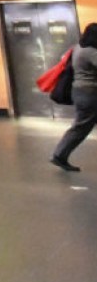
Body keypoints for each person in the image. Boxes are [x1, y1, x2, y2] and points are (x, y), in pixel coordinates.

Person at [52, 23, 97, 171]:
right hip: (90, 93)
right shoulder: (90, 52)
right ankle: (59, 154)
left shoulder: (78, 47)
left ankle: (59, 154)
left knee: (80, 126)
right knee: (80, 127)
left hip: (80, 92)